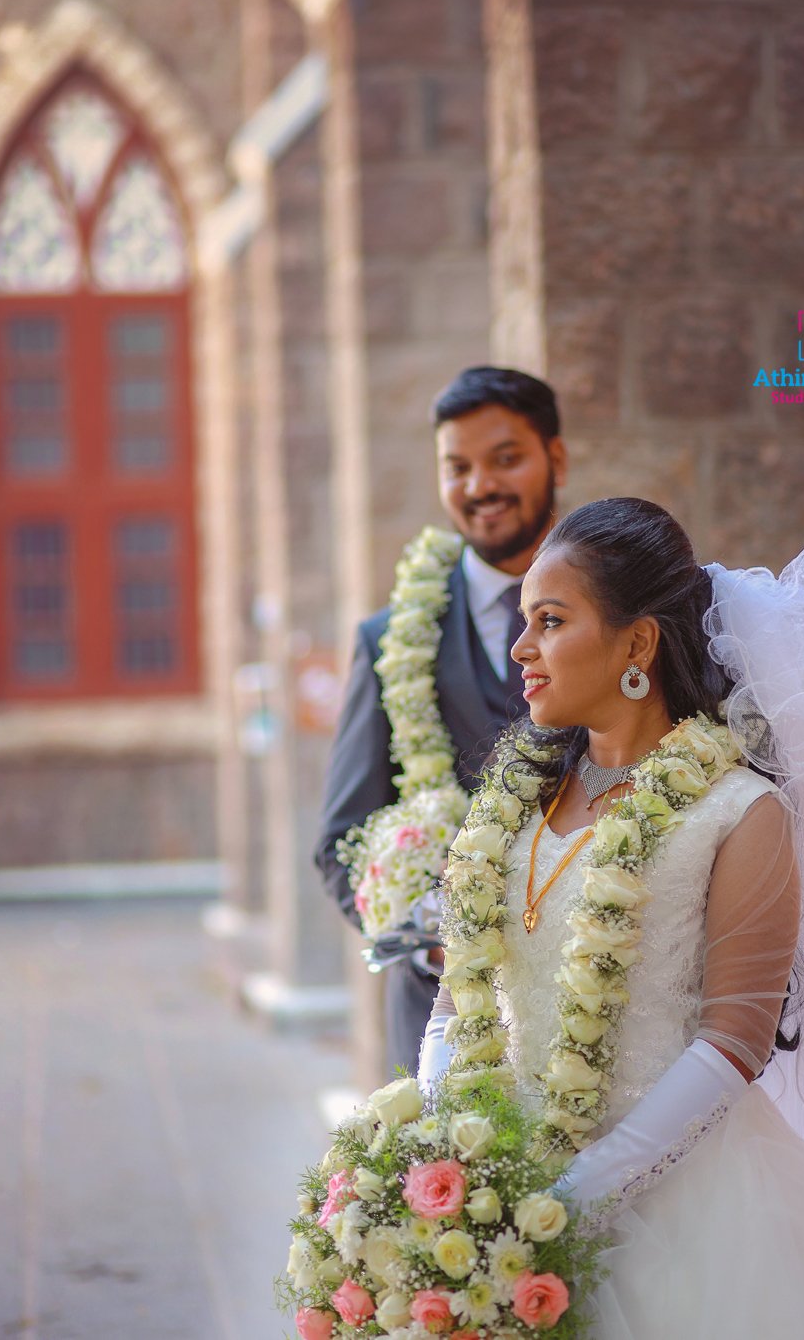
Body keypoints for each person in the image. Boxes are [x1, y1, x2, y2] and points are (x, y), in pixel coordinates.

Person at [419, 497, 804, 1339]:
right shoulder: (511, 807)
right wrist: (442, 1150)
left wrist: (569, 1201)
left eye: (550, 621)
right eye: (524, 622)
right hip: (491, 1200)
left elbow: (735, 1039)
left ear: (638, 643)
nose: (520, 649)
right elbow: (456, 997)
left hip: (687, 1215)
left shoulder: (740, 811)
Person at [315, 365, 569, 1077]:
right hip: (442, 1029)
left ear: (556, 457)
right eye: (457, 467)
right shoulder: (387, 642)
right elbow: (341, 844)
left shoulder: (620, 621)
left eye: (506, 459)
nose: (480, 486)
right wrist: (430, 935)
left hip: (600, 1005)